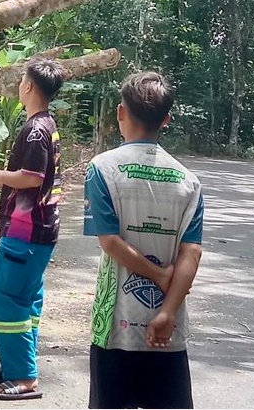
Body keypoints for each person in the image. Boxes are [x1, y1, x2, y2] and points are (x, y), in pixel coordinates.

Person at [82, 71, 204, 409]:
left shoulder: (102, 169)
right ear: (166, 119)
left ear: (121, 112)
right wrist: (166, 311)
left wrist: (157, 275)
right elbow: (191, 252)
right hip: (168, 329)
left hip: (115, 326)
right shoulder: (188, 181)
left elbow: (109, 241)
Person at [0, 57, 65, 401]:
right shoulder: (47, 124)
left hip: (26, 232)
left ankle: (23, 378)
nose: (20, 85)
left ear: (30, 86)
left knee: (8, 298)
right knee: (26, 300)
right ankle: (17, 364)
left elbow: (31, 179)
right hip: (38, 228)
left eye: (22, 80)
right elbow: (31, 182)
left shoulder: (35, 130)